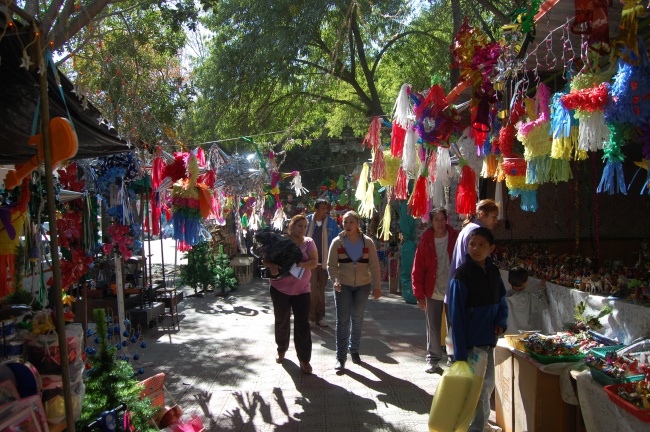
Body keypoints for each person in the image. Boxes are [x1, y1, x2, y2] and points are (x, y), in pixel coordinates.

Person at [447, 227, 508, 432]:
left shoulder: (493, 272)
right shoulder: (461, 275)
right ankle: (475, 427)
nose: (476, 249)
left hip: (488, 339)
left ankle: (481, 423)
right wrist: (460, 352)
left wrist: (500, 322)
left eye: (482, 245)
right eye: (472, 244)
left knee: (487, 385)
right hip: (471, 343)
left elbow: (501, 299)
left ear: (491, 248)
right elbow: (456, 316)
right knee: (478, 389)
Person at [262, 214, 318, 375]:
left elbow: (314, 262)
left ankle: (304, 360)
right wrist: (272, 266)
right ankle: (281, 349)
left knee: (302, 324)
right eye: (300, 226)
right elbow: (265, 258)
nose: (303, 229)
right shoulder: (280, 241)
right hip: (280, 288)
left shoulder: (309, 242)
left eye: (305, 226)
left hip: (302, 290)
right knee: (281, 321)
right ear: (291, 226)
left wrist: (298, 264)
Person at [446, 199, 500, 362]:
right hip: (469, 297)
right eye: (493, 217)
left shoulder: (469, 229)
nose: (496, 221)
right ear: (482, 214)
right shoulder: (476, 232)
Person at [327, 211, 382, 370]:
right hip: (343, 285)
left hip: (363, 286)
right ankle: (340, 357)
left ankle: (355, 350)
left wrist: (377, 286)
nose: (348, 225)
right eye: (345, 222)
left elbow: (374, 266)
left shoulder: (368, 242)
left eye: (351, 222)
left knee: (357, 318)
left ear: (357, 224)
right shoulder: (337, 242)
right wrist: (335, 280)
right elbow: (331, 265)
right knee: (342, 320)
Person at [411, 208, 459, 374]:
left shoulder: (455, 237)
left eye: (442, 219)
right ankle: (433, 359)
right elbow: (418, 269)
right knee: (433, 327)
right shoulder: (426, 240)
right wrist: (419, 295)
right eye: (436, 220)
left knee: (453, 326)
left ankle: (453, 358)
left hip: (452, 290)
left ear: (447, 220)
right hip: (432, 290)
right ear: (431, 222)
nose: (440, 223)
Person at [306, 198, 339, 327]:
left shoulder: (331, 223)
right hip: (310, 262)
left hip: (325, 262)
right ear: (316, 209)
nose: (326, 211)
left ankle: (320, 317)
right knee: (313, 289)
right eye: (323, 209)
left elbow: (336, 241)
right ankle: (311, 317)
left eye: (326, 208)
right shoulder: (307, 221)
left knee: (320, 291)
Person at [506, 266, 548, 334]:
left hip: (509, 335)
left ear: (509, 281)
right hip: (527, 335)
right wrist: (541, 289)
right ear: (525, 283)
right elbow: (544, 305)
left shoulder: (504, 298)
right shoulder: (530, 297)